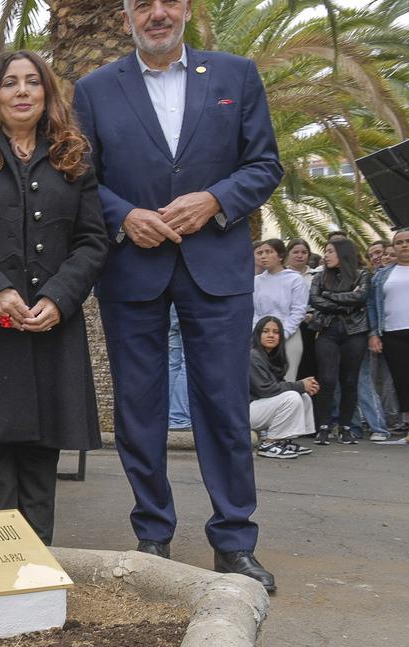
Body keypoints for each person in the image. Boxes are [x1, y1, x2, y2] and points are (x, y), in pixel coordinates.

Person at [73, 0, 283, 590]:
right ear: (126, 18)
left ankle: (235, 542)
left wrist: (214, 200)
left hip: (216, 267)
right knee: (140, 410)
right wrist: (123, 215)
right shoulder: (93, 89)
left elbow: (265, 164)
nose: (157, 13)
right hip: (132, 269)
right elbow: (81, 177)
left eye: (168, 1)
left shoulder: (234, 75)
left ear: (187, 10)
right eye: (143, 4)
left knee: (223, 405)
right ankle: (153, 535)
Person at [0, 50, 107, 545]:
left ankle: (36, 569)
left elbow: (93, 241)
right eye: (10, 83)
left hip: (50, 328)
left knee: (40, 453)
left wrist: (60, 297)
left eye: (33, 82)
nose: (22, 91)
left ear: (48, 94)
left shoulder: (74, 163)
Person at [308, 238, 371, 445]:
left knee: (350, 381)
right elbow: (315, 300)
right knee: (327, 380)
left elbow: (360, 298)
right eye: (325, 251)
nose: (326, 255)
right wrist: (343, 300)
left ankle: (345, 427)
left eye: (330, 251)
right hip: (327, 331)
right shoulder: (319, 277)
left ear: (344, 254)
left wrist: (330, 297)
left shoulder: (362, 274)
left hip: (355, 332)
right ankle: (323, 427)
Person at [368, 227, 409, 444]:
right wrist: (373, 334)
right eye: (399, 242)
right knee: (404, 382)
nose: (404, 245)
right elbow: (372, 306)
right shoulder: (382, 276)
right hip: (394, 334)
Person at [249, 316, 318, 459]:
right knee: (292, 396)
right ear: (258, 334)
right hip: (244, 412)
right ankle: (268, 443)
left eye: (276, 332)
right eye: (266, 331)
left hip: (259, 408)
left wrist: (303, 387)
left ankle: (283, 441)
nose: (271, 335)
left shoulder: (272, 356)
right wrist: (300, 385)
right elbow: (265, 389)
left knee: (302, 396)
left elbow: (279, 386)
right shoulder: (252, 355)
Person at [253, 239, 307, 380]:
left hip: (289, 337)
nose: (264, 256)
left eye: (269, 252)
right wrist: (258, 333)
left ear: (280, 256)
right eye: (261, 252)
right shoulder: (257, 281)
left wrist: (282, 334)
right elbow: (254, 312)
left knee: (287, 381)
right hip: (261, 338)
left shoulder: (295, 279)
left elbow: (298, 311)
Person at [286, 238, 319, 380]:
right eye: (295, 252)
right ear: (288, 254)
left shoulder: (317, 276)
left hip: (311, 327)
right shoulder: (281, 275)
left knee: (309, 365)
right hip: (287, 325)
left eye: (304, 252)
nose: (300, 255)